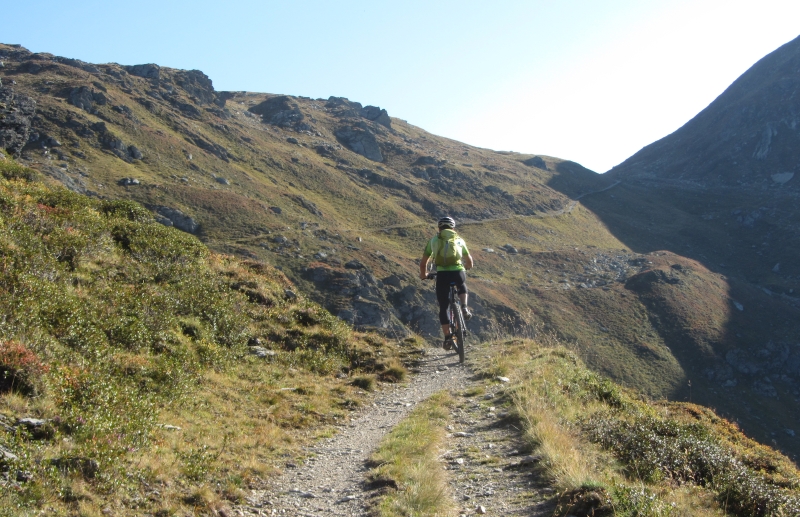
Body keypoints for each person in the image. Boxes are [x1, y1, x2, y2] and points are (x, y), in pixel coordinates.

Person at [418, 216, 474, 350]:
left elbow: (423, 263)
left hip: (442, 275)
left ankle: (448, 337)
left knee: (443, 307)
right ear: (453, 228)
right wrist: (466, 268)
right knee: (461, 285)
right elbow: (469, 262)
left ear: (439, 228)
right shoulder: (459, 240)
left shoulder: (433, 241)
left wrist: (424, 275)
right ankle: (464, 307)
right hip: (458, 272)